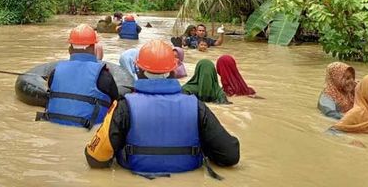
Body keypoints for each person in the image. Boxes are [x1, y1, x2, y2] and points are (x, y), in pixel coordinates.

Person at [85, 40, 240, 177]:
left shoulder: (124, 107)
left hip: (137, 174)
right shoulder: (196, 106)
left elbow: (95, 158)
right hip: (188, 174)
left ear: (138, 70)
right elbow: (230, 156)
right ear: (174, 71)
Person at [36, 24, 119, 129]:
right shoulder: (104, 76)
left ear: (70, 49)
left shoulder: (55, 72)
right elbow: (116, 104)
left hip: (54, 128)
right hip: (88, 132)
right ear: (94, 47)